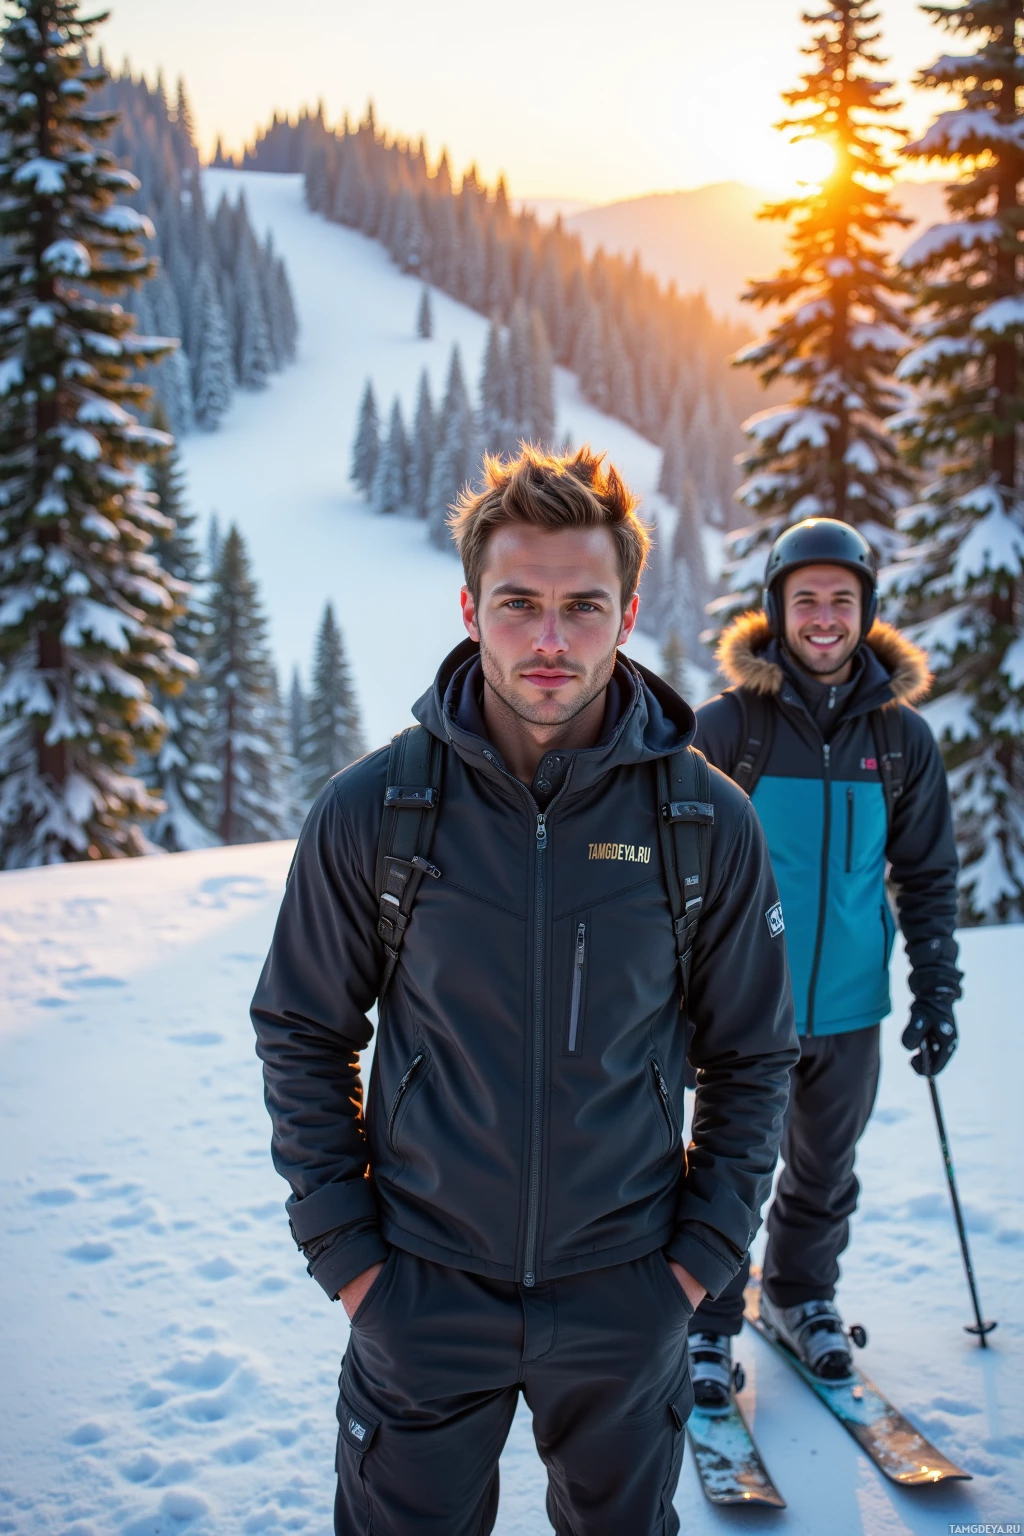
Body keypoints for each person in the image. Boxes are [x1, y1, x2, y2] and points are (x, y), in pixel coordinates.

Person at [251, 445, 798, 1536]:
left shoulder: (704, 824)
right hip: (419, 1291)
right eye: (518, 604)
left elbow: (752, 1059)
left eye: (582, 607)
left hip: (625, 1294)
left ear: (629, 610)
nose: (550, 640)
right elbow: (301, 1031)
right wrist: (352, 1261)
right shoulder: (375, 810)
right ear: (469, 607)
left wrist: (691, 1271)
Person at [688, 517, 961, 1408]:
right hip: (743, 1008)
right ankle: (707, 1322)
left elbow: (926, 875)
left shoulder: (902, 740)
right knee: (729, 1168)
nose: (823, 616)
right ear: (776, 609)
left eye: (841, 599)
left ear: (865, 612)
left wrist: (936, 991)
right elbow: (672, 872)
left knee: (824, 1172)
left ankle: (804, 1298)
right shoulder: (729, 729)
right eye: (805, 598)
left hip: (850, 1004)